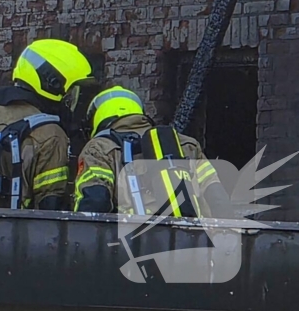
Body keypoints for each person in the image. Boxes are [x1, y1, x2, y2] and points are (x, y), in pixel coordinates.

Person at [0, 38, 100, 211]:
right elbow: (52, 213)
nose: (71, 101)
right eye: (70, 92)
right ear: (52, 83)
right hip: (18, 238)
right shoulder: (50, 135)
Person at [72, 86, 232, 217]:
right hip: (191, 241)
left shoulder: (99, 149)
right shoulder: (186, 144)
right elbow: (216, 196)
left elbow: (95, 201)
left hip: (133, 245)